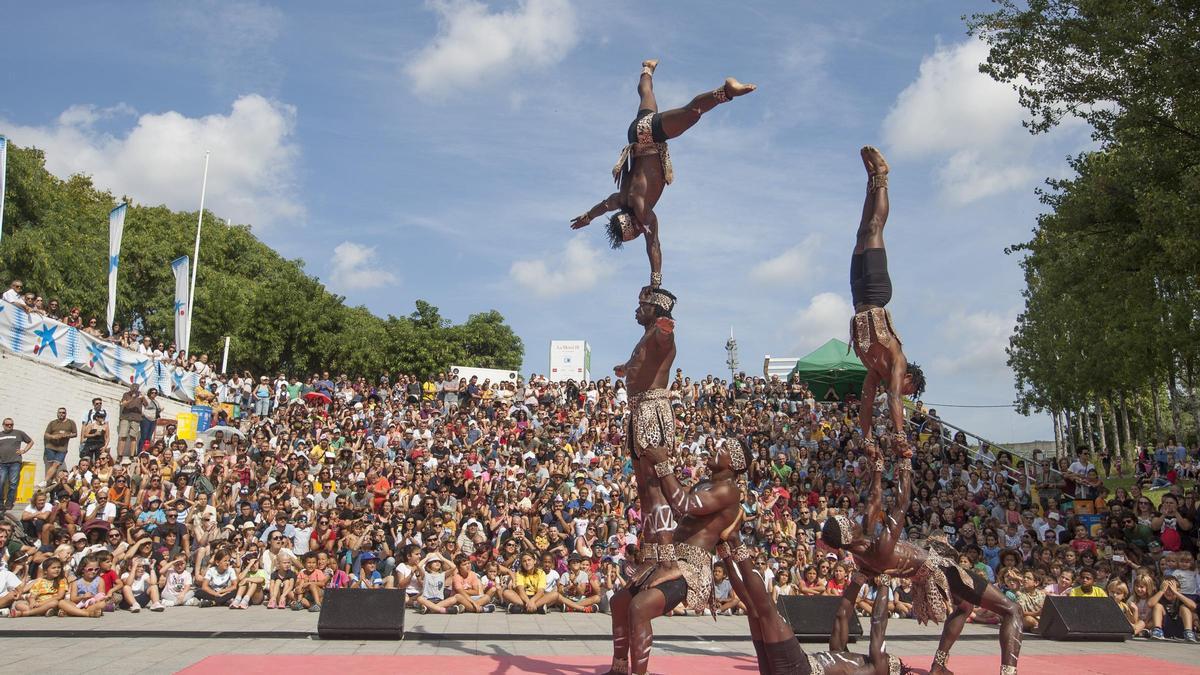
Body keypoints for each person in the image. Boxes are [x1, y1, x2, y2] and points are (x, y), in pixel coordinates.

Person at [819, 449, 1020, 675]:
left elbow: (874, 498)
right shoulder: (880, 546)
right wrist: (905, 459)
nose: (851, 518)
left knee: (964, 606)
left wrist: (877, 467)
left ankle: (938, 666)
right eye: (847, 521)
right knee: (1011, 610)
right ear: (848, 535)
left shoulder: (861, 556)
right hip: (940, 569)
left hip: (923, 574)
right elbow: (902, 503)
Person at [571, 59, 755, 288]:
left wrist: (655, 281)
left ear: (634, 226)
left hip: (649, 137)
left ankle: (727, 90)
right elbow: (603, 206)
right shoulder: (621, 199)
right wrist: (587, 217)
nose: (641, 233)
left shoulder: (640, 210)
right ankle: (647, 68)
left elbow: (654, 245)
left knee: (692, 113)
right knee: (646, 95)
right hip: (635, 133)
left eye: (637, 233)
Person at [607, 436, 744, 675]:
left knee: (639, 608)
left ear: (733, 464)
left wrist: (662, 464)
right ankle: (618, 669)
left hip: (690, 567)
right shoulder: (706, 484)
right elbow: (671, 499)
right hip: (669, 559)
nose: (714, 449)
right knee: (619, 603)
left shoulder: (728, 491)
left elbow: (683, 504)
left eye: (723, 449)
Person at [847, 146, 925, 454]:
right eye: (911, 391)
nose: (907, 394)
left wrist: (865, 437)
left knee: (861, 235)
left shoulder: (874, 372)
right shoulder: (897, 362)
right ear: (910, 380)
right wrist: (900, 436)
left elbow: (867, 403)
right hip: (877, 297)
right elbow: (893, 398)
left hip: (858, 300)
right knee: (875, 230)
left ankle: (871, 181)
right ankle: (882, 177)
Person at [612, 286, 680, 589]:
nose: (637, 309)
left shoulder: (659, 333)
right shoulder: (644, 337)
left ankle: (668, 561)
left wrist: (665, 330)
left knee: (656, 487)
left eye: (643, 305)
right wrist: (626, 368)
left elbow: (666, 342)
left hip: (653, 408)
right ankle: (652, 556)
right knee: (643, 488)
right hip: (638, 411)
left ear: (657, 310)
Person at [0, 418, 34, 511]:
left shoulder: (18, 433)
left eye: (11, 424)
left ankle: (9, 502)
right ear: (3, 425)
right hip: (2, 463)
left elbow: (30, 441)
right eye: (7, 424)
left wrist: (24, 450)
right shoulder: (0, 434)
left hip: (15, 462)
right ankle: (0, 503)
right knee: (1, 482)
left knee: (13, 483)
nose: (9, 426)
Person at [42, 407, 77, 487]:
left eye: (63, 412)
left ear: (66, 414)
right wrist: (53, 437)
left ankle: (45, 481)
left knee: (56, 465)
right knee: (52, 465)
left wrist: (67, 435)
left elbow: (75, 434)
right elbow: (46, 434)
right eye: (60, 412)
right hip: (50, 447)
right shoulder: (52, 423)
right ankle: (53, 481)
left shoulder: (71, 423)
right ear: (57, 413)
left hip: (62, 448)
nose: (61, 414)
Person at [117, 383, 143, 459]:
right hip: (125, 417)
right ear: (130, 388)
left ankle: (132, 455)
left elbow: (147, 405)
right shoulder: (126, 394)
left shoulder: (140, 396)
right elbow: (123, 404)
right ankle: (120, 455)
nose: (135, 389)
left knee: (133, 437)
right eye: (133, 387)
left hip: (136, 418)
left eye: (136, 387)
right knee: (123, 436)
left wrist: (143, 397)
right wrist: (132, 399)